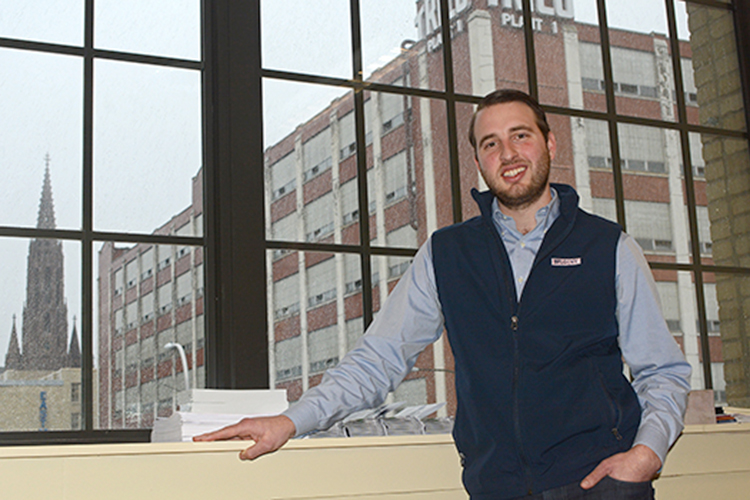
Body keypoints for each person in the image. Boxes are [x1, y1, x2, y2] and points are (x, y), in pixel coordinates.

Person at [196, 89, 691, 499]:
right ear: (477, 159)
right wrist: (289, 421)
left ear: (550, 143)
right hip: (495, 487)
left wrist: (646, 455)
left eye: (521, 135)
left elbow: (662, 371)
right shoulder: (448, 253)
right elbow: (378, 359)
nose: (508, 154)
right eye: (490, 144)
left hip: (599, 483)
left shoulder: (608, 246)